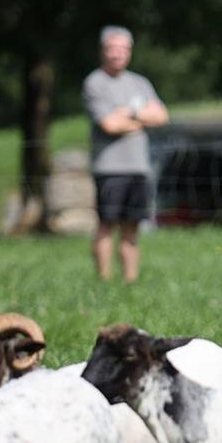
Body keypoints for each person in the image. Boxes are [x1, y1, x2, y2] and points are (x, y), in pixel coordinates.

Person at [82, 26, 169, 283]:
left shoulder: (139, 83)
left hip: (137, 166)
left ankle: (131, 281)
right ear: (103, 51)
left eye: (123, 48)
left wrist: (127, 115)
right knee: (106, 225)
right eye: (112, 48)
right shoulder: (95, 83)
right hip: (109, 168)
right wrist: (141, 117)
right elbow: (109, 125)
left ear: (129, 52)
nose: (117, 53)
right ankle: (104, 280)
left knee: (132, 228)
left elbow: (162, 116)